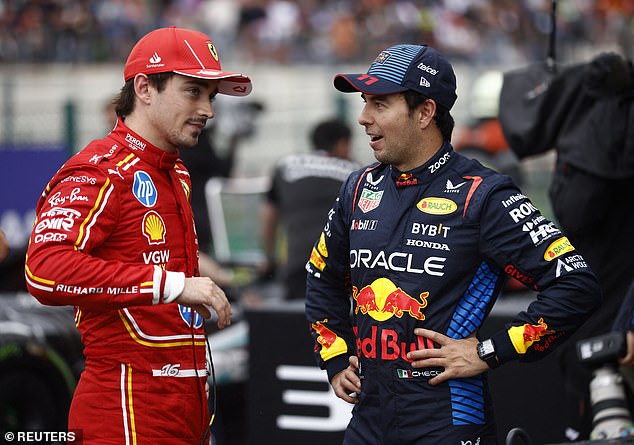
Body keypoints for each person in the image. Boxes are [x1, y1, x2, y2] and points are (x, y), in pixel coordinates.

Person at [304, 43, 602, 444]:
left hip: (445, 416)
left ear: (425, 112)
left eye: (379, 103)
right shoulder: (358, 188)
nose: (363, 118)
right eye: (364, 102)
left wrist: (489, 351)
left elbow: (576, 285)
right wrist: (335, 358)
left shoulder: (484, 195)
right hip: (369, 414)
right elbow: (320, 277)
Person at [24, 26, 252, 444]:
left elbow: (151, 259)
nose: (208, 109)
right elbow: (44, 270)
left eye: (212, 96)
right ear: (145, 88)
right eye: (193, 91)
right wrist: (173, 285)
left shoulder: (175, 170)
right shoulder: (100, 169)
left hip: (187, 404)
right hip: (126, 407)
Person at [260, 117, 358, 300]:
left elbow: (268, 217)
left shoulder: (285, 166)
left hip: (297, 265)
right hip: (340, 269)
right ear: (342, 143)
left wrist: (269, 258)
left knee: (297, 322)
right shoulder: (355, 172)